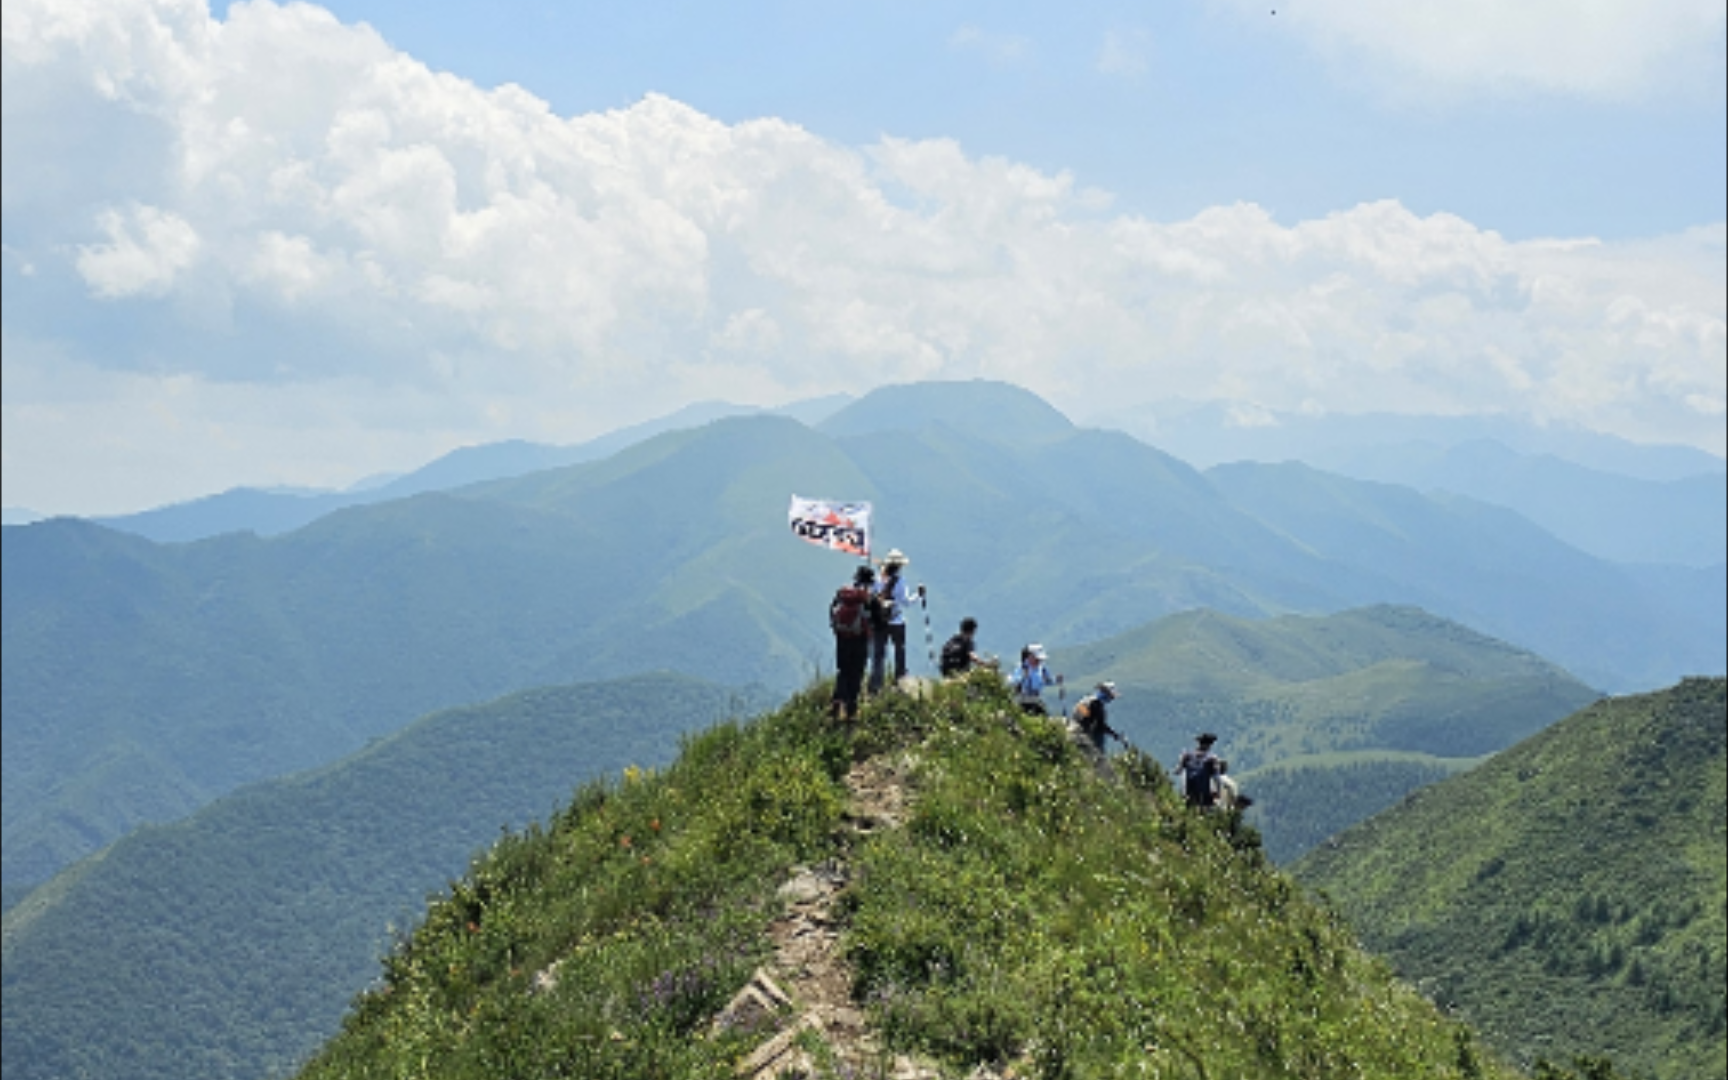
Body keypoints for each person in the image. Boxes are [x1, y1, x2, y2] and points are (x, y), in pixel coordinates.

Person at [868, 549, 925, 693]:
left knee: (878, 654)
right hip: (896, 621)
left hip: (879, 622)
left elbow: (871, 597)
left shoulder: (878, 579)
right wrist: (918, 595)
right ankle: (900, 681)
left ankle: (875, 685)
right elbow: (906, 602)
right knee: (900, 651)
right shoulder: (900, 581)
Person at [829, 564, 877, 721]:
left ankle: (837, 701)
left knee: (843, 670)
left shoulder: (843, 594)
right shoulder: (867, 598)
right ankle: (851, 709)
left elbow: (832, 612)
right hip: (859, 639)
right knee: (856, 673)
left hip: (842, 638)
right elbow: (878, 619)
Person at [1006, 643, 1063, 715]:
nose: (1039, 661)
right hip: (1022, 701)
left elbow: (1047, 680)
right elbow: (1012, 681)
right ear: (1030, 656)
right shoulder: (1022, 668)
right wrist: (1022, 677)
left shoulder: (1042, 669)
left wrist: (1056, 680)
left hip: (1036, 700)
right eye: (1037, 659)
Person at [1068, 681, 1122, 756]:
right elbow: (1101, 726)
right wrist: (1114, 734)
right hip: (1082, 732)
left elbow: (1078, 713)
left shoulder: (1086, 700)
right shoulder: (1097, 704)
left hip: (1072, 727)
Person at [1176, 732, 1221, 809]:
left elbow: (1178, 772)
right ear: (1209, 745)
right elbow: (1216, 778)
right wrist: (1218, 792)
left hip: (1189, 792)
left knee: (1189, 812)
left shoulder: (1187, 755)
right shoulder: (1212, 759)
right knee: (1210, 812)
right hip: (1204, 795)